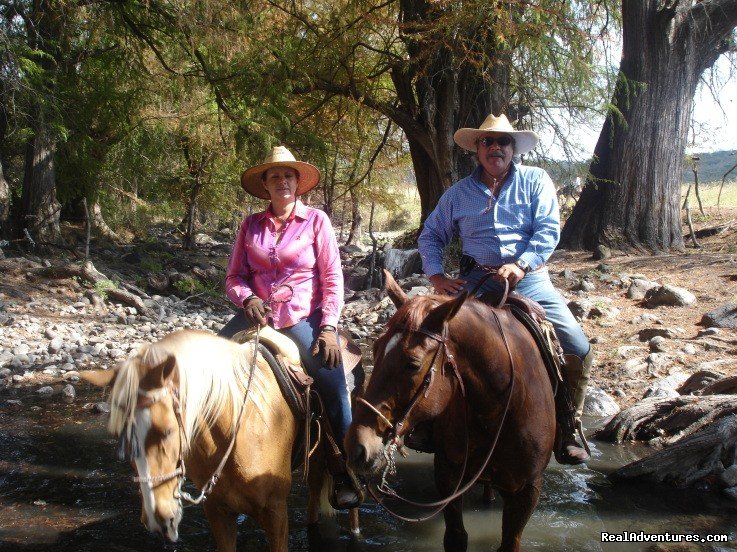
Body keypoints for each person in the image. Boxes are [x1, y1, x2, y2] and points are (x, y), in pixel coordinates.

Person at [418, 114, 593, 465]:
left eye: (504, 141)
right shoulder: (458, 194)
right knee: (425, 339)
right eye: (488, 141)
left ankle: (568, 425)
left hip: (530, 281)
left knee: (577, 346)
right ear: (477, 149)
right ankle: (428, 423)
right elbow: (431, 235)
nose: (496, 147)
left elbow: (547, 229)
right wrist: (436, 276)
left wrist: (523, 263)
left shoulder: (535, 180)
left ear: (513, 148)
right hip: (475, 282)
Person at [219, 145, 361, 507]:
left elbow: (332, 278)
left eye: (288, 175)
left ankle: (344, 471)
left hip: (301, 317)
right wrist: (246, 298)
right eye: (275, 176)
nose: (282, 181)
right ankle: (199, 458)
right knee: (208, 368)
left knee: (331, 382)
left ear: (298, 183)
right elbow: (234, 276)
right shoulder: (250, 224)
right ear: (264, 184)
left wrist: (328, 327)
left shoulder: (317, 221)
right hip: (255, 314)